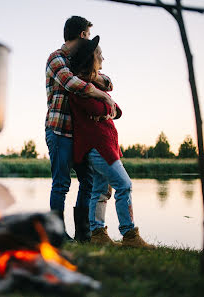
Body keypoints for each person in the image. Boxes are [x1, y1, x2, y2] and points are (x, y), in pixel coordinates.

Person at [68, 36, 155, 249]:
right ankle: (130, 235)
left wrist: (107, 107)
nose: (103, 58)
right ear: (91, 58)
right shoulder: (81, 88)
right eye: (99, 55)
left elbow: (118, 111)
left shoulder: (95, 85)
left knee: (100, 190)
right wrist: (108, 107)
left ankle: (97, 233)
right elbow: (97, 110)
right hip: (98, 148)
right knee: (124, 185)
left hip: (106, 146)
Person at [45, 16, 115, 243]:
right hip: (59, 131)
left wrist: (97, 81)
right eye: (88, 34)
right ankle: (57, 234)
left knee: (89, 181)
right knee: (61, 184)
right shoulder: (56, 58)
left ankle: (84, 233)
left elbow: (106, 80)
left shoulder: (79, 61)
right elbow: (71, 83)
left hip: (79, 135)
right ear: (82, 35)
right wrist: (101, 93)